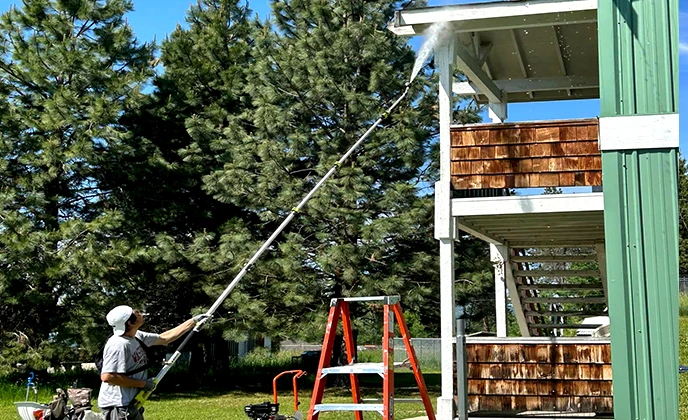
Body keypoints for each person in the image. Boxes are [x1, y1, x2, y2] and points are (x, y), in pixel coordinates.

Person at [97, 305, 209, 420]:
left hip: (130, 404)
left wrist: (193, 321)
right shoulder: (118, 344)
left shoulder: (136, 335)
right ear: (130, 323)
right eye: (135, 313)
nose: (139, 312)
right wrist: (143, 384)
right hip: (118, 406)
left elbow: (165, 338)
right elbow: (108, 377)